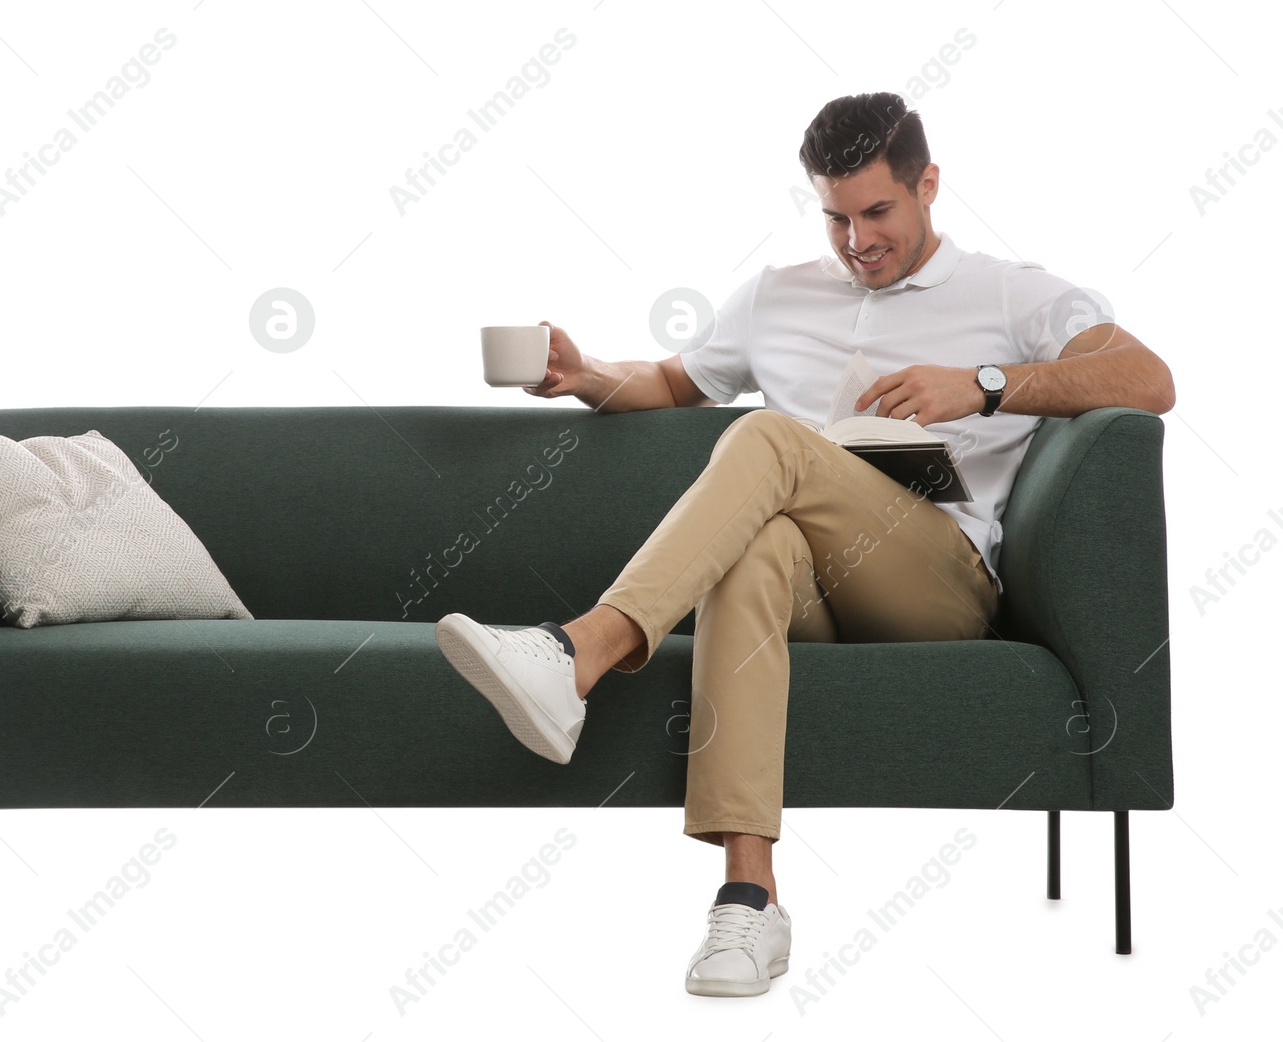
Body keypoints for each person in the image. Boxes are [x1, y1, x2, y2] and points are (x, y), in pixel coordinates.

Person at [434, 91, 1176, 998]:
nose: (857, 240)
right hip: (812, 584)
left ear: (928, 186)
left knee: (764, 438)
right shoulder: (776, 296)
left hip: (939, 578)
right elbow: (674, 382)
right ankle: (749, 903)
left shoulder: (1009, 293)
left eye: (878, 213)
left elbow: (1147, 377)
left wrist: (983, 386)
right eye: (835, 217)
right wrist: (586, 375)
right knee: (752, 549)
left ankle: (578, 651)